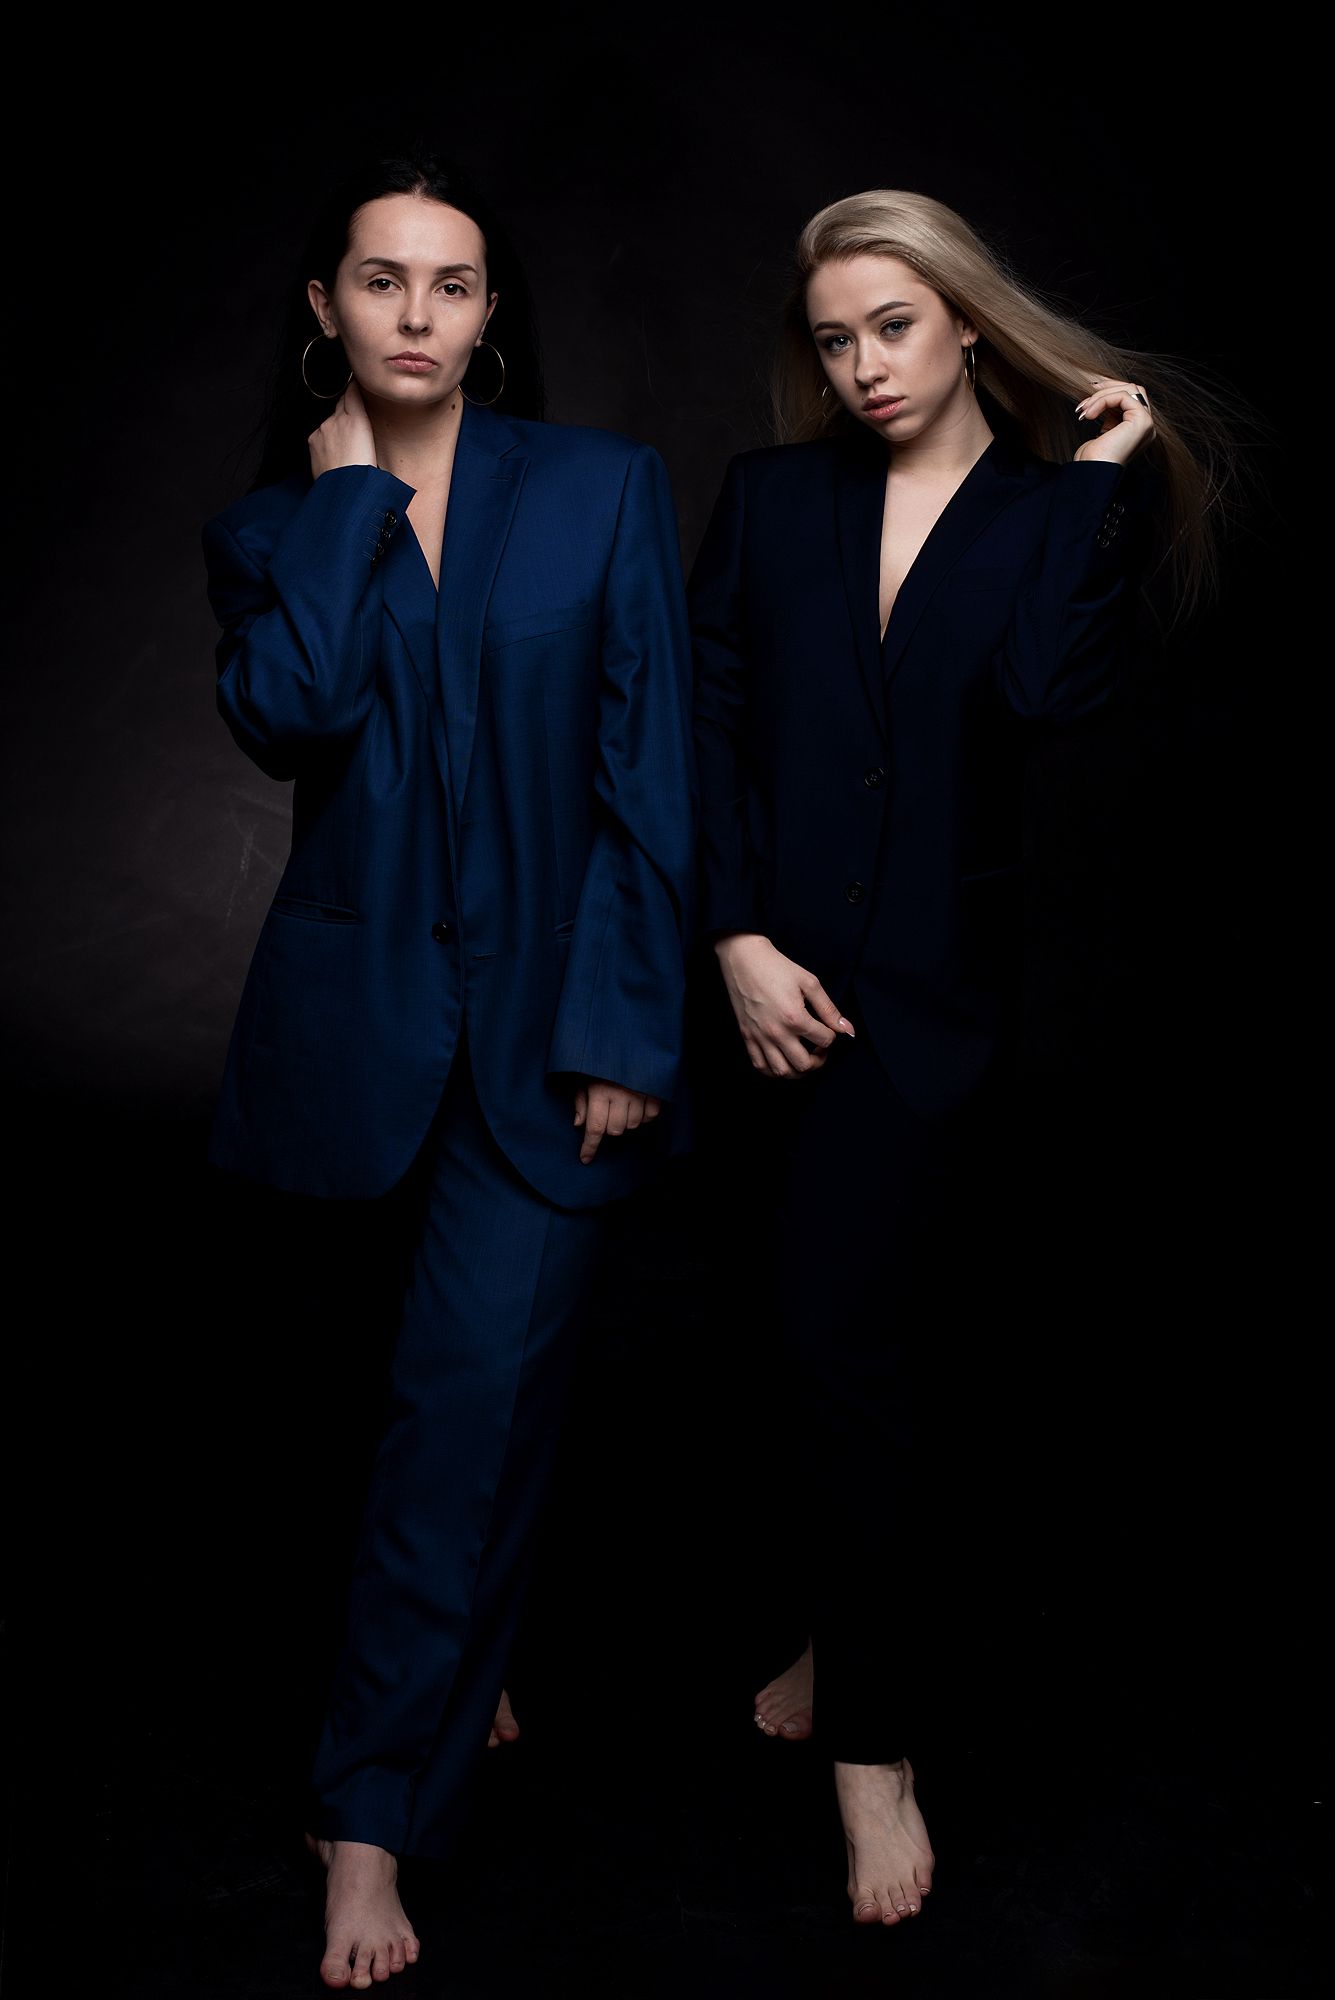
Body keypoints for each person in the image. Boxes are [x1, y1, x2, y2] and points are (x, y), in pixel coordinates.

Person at [688, 187, 1233, 1930]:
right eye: (833, 338)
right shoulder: (774, 499)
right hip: (761, 992)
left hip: (930, 1016)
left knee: (868, 1360)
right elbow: (703, 722)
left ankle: (877, 1750)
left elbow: (1047, 696)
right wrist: (735, 940)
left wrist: (1094, 482)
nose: (861, 365)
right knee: (788, 1350)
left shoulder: (1045, 511)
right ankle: (844, 1643)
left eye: (893, 326)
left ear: (968, 324)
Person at [200, 148, 696, 1990]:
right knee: (361, 1423)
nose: (417, 314)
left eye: (454, 284)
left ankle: (366, 1819)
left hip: (550, 1050)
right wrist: (346, 502)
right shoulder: (274, 526)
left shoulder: (599, 486)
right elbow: (289, 714)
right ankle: (448, 1675)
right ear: (324, 307)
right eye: (382, 280)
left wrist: (624, 1027)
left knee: (461, 1421)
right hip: (347, 1052)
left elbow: (648, 765)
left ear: (492, 319)